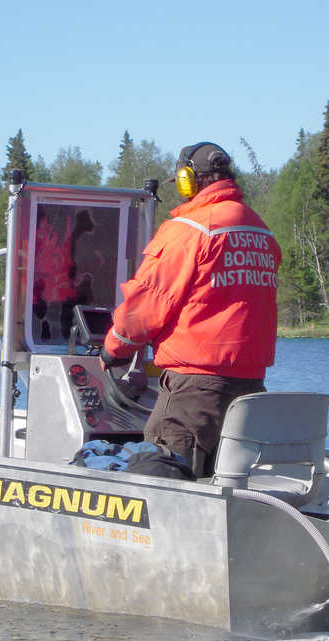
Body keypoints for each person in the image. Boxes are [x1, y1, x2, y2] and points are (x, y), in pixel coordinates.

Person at [100, 142, 281, 477]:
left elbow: (146, 304)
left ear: (187, 180)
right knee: (226, 479)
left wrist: (114, 350)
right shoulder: (260, 231)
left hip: (194, 392)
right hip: (250, 389)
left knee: (163, 473)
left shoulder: (189, 231)